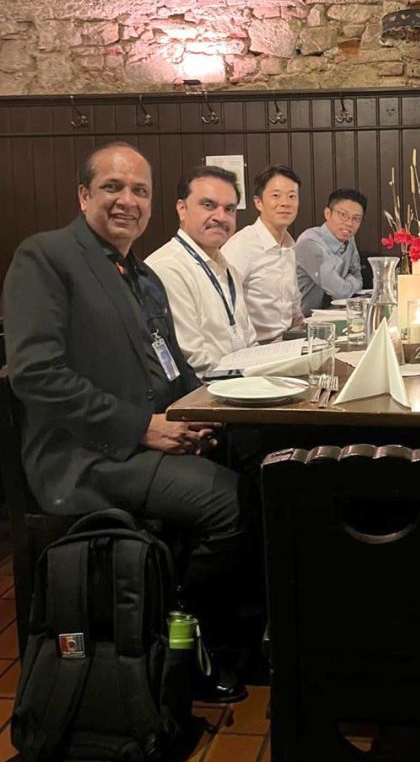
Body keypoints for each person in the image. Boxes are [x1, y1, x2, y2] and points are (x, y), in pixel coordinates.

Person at [3, 142, 250, 701]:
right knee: (230, 503)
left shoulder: (141, 275)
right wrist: (143, 427)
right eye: (112, 187)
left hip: (145, 439)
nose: (127, 201)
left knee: (256, 458)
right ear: (83, 195)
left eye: (140, 190)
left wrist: (206, 416)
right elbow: (36, 375)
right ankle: (184, 645)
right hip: (83, 457)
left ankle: (239, 632)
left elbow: (175, 368)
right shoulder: (46, 257)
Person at [145, 165, 258, 375]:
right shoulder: (168, 267)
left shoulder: (229, 269)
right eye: (208, 205)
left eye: (229, 209)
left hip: (240, 384)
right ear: (182, 209)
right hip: (205, 391)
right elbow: (194, 363)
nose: (221, 217)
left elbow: (250, 343)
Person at [222, 165, 304, 342]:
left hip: (288, 341)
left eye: (292, 196)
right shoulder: (242, 245)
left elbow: (294, 306)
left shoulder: (289, 245)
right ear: (258, 202)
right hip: (255, 347)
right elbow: (223, 303)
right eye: (276, 196)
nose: (285, 203)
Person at [295, 188, 366, 315]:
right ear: (328, 213)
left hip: (333, 316)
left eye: (356, 218)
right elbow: (340, 292)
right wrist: (349, 281)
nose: (349, 223)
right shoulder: (309, 242)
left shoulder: (349, 239)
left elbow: (358, 278)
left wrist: (347, 282)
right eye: (343, 215)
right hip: (302, 320)